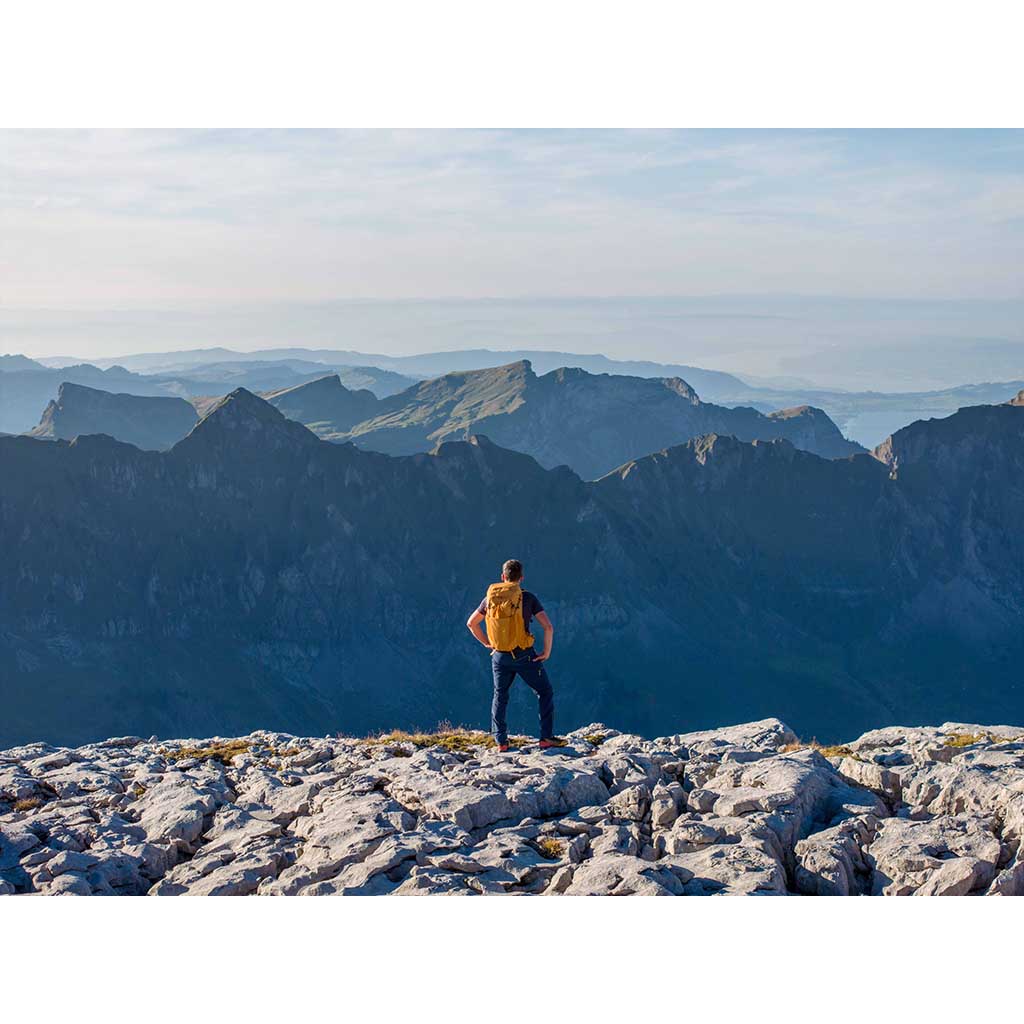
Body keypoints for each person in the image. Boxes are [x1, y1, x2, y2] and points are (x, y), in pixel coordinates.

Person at [466, 558, 558, 752]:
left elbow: (471, 623)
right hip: (525, 655)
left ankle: (501, 742)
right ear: (521, 578)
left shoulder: (490, 598)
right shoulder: (528, 598)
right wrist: (546, 652)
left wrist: (487, 643)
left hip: (499, 655)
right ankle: (546, 738)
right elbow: (548, 627)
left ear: (503, 577)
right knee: (545, 692)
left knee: (500, 695)